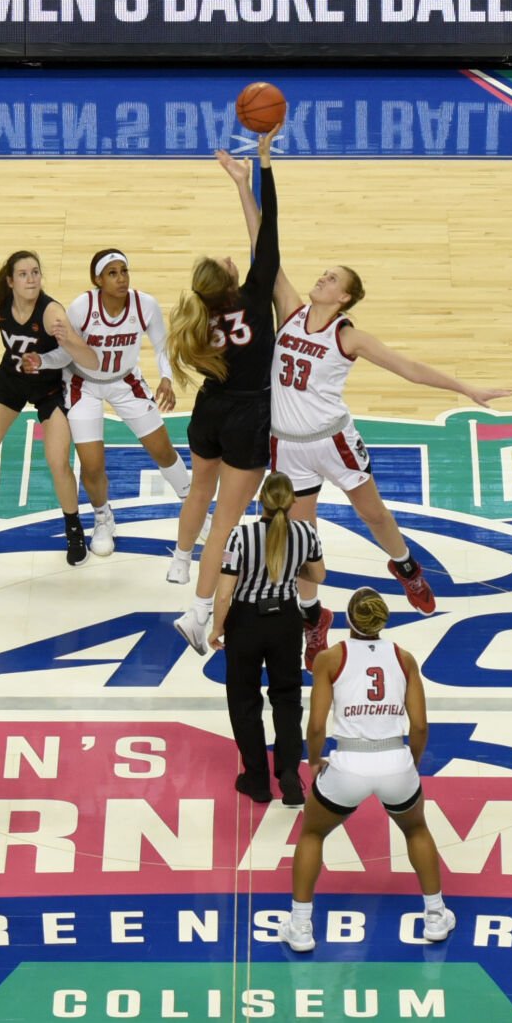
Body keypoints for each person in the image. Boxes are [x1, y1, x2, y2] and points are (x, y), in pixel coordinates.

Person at [239, 150, 512, 667]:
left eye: (331, 279)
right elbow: (263, 245)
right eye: (323, 274)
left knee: (374, 514)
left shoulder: (349, 336)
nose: (321, 279)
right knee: (301, 541)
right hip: (288, 447)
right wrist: (243, 182)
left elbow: (408, 368)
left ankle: (406, 566)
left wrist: (467, 388)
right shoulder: (291, 309)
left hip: (333, 440)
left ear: (344, 298)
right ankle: (314, 618)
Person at [168, 128, 285, 652]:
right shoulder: (256, 299)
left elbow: (261, 243)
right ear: (231, 280)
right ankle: (197, 614)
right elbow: (268, 233)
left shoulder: (197, 318)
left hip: (209, 409)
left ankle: (179, 559)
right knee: (226, 524)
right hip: (247, 415)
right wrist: (261, 168)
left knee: (199, 489)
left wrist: (241, 181)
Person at [287, 587, 453, 953]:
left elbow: (316, 726)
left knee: (312, 834)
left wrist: (314, 760)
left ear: (349, 620)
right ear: (382, 620)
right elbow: (420, 726)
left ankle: (299, 926)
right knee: (416, 830)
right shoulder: (404, 658)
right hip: (395, 760)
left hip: (349, 762)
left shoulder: (330, 658)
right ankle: (436, 916)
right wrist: (412, 764)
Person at [20, 249, 193, 557]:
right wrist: (42, 361)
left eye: (124, 271)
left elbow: (162, 347)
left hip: (125, 381)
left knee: (163, 450)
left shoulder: (145, 305)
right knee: (92, 465)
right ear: (97, 279)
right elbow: (65, 352)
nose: (121, 278)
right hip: (83, 385)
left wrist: (166, 378)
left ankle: (193, 507)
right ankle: (103, 518)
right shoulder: (82, 307)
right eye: (112, 273)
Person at [0, 251, 101, 565]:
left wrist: (69, 341)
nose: (31, 279)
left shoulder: (52, 312)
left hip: (49, 388)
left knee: (58, 463)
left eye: (35, 273)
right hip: (11, 382)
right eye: (24, 274)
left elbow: (88, 358)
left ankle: (74, 528)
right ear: (11, 281)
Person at [209, 473, 325, 805]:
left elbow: (224, 592)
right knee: (287, 698)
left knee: (244, 699)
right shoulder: (306, 533)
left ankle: (257, 779)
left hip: (246, 621)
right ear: (292, 501)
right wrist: (291, 569)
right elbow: (318, 574)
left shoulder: (240, 536)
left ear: (261, 499)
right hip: (286, 620)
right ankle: (288, 772)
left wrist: (217, 628)